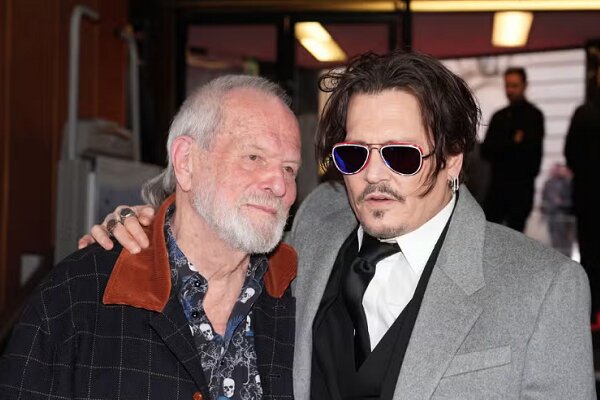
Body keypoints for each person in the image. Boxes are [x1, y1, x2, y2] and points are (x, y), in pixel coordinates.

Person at [82, 52, 595, 399]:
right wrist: (144, 226)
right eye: (355, 154)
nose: (374, 175)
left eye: (400, 155)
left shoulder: (544, 287)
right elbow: (219, 235)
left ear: (452, 159)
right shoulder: (317, 221)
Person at [0, 75, 301, 400]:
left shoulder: (301, 297)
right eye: (254, 157)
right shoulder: (80, 295)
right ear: (186, 162)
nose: (279, 185)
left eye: (289, 169)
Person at [481, 67, 545, 232]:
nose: (510, 90)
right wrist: (512, 143)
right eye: (507, 86)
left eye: (514, 86)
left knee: (516, 237)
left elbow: (532, 157)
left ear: (524, 86)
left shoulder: (533, 116)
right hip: (498, 190)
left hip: (521, 190)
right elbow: (486, 151)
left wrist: (504, 147)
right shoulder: (499, 117)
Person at [564, 65, 600, 329]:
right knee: (590, 256)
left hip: (588, 195)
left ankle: (590, 315)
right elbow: (571, 154)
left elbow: (571, 154)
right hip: (589, 197)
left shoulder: (584, 113)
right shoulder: (584, 113)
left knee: (591, 256)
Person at [540, 163, 575, 257]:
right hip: (550, 214)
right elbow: (544, 196)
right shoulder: (548, 182)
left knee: (563, 238)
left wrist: (560, 202)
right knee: (553, 237)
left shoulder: (566, 182)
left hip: (562, 214)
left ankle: (565, 256)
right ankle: (556, 256)